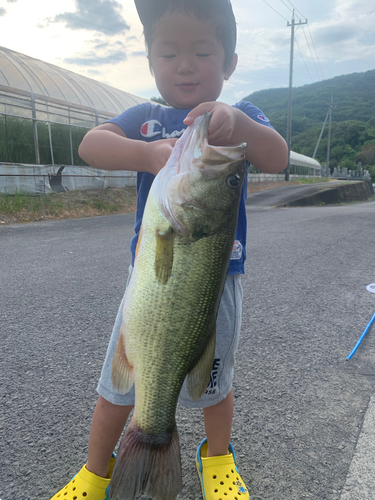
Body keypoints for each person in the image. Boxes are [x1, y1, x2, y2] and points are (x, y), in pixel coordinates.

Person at [50, 1, 288, 499]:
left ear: (229, 64)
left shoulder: (240, 119)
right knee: (117, 388)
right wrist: (145, 153)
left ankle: (217, 460)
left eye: (202, 52)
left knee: (215, 387)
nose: (185, 64)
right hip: (151, 292)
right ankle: (96, 473)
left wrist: (241, 129)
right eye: (170, 52)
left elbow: (276, 155)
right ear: (150, 58)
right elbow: (91, 145)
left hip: (216, 285)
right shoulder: (146, 118)